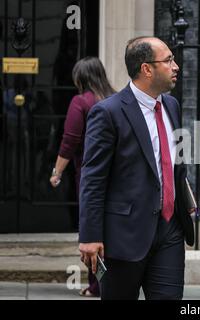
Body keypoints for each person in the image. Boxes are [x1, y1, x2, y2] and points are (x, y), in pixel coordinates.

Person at [78, 36, 195, 300]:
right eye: (168, 60)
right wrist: (90, 235)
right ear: (146, 69)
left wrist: (186, 198)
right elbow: (93, 178)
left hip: (170, 232)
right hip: (123, 237)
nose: (176, 66)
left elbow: (172, 162)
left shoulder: (172, 106)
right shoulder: (108, 112)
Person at [49, 56, 115, 297]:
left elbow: (70, 140)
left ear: (81, 78)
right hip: (117, 177)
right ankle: (109, 283)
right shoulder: (115, 99)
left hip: (90, 175)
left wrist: (57, 172)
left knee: (91, 229)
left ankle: (97, 285)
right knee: (111, 231)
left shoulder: (81, 102)